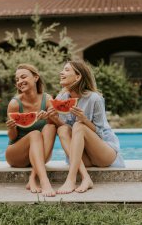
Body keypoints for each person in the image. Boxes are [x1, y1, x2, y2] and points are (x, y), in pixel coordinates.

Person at [48, 60, 125, 194]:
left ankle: (71, 179)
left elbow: (101, 132)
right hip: (83, 158)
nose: (61, 72)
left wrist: (84, 120)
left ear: (78, 77)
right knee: (62, 129)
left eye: (66, 70)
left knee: (79, 125)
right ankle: (85, 177)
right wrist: (53, 117)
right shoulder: (61, 97)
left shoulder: (94, 98)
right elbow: (66, 128)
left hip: (104, 153)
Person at [5, 64, 57, 197]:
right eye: (17, 79)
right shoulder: (15, 104)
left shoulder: (48, 99)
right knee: (35, 134)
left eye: (23, 77)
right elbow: (12, 136)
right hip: (16, 155)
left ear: (35, 77)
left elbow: (54, 126)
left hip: (40, 154)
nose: (20, 81)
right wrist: (11, 127)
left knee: (50, 127)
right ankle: (44, 182)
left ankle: (32, 178)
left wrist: (49, 117)